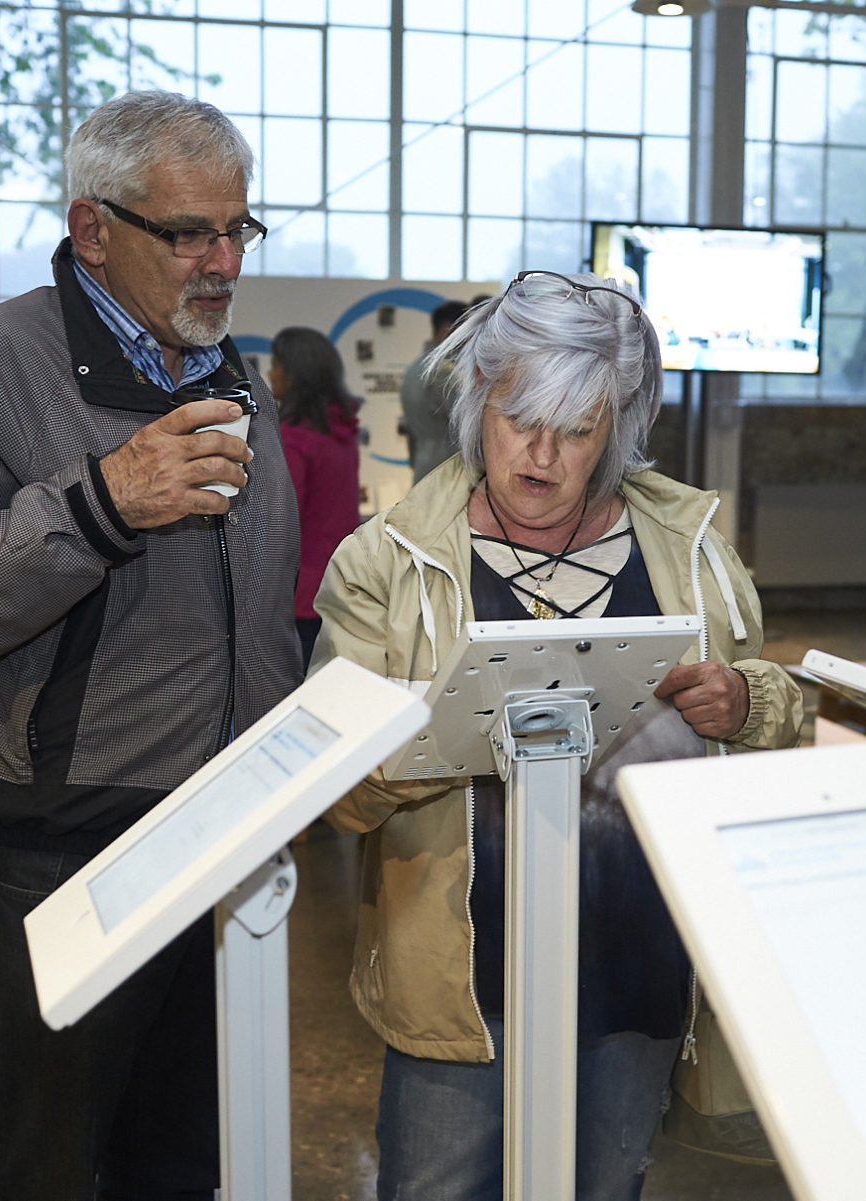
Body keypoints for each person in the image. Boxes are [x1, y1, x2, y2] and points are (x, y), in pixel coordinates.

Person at [0, 92, 303, 1200]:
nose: (222, 260)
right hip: (67, 857)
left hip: (220, 841)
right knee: (48, 1166)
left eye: (238, 228)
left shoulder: (225, 368)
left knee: (185, 1161)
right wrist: (96, 506)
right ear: (93, 229)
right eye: (189, 232)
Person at [310, 269, 803, 1200]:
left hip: (637, 970)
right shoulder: (391, 560)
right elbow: (334, 786)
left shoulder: (688, 547)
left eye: (577, 430)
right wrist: (438, 733)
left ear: (616, 430)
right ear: (475, 406)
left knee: (603, 1185)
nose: (540, 455)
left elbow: (776, 720)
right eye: (517, 420)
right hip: (462, 985)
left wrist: (747, 703)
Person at [268, 326, 362, 666]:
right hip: (342, 586)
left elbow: (282, 521)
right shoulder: (342, 430)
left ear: (295, 372)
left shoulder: (295, 439)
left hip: (300, 593)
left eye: (276, 364)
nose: (270, 372)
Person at [398, 298, 470, 483]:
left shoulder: (414, 369)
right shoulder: (444, 373)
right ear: (448, 330)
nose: (467, 341)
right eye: (465, 332)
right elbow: (467, 425)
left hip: (423, 467)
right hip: (447, 472)